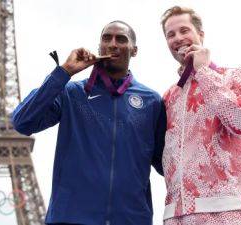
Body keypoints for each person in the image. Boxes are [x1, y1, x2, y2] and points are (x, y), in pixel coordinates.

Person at [12, 21, 166, 225]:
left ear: (134, 50)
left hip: (132, 219)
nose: (113, 44)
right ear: (99, 46)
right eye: (106, 38)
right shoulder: (71, 92)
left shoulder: (151, 101)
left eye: (121, 39)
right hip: (71, 218)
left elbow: (167, 164)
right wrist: (64, 72)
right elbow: (22, 121)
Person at [160, 6, 241, 225]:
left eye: (184, 30)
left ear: (201, 35)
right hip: (175, 214)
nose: (178, 38)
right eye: (171, 34)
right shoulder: (169, 96)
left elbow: (239, 120)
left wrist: (204, 71)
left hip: (225, 210)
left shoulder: (235, 75)